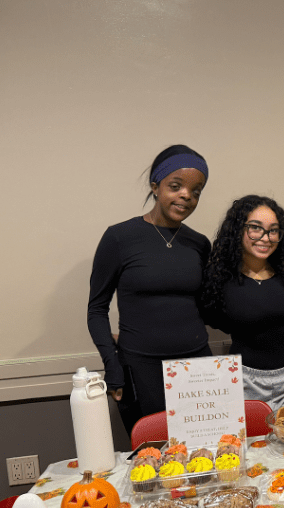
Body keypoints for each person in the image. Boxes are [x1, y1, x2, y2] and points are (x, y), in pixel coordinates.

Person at [87, 145, 212, 435]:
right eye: (176, 186)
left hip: (197, 368)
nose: (186, 196)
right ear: (155, 187)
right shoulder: (119, 238)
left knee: (207, 456)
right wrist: (112, 364)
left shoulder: (200, 244)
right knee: (154, 460)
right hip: (141, 370)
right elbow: (96, 309)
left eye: (196, 191)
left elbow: (208, 306)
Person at [200, 195, 284, 410]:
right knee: (251, 445)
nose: (266, 237)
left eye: (274, 230)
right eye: (255, 228)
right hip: (243, 383)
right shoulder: (219, 280)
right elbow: (213, 319)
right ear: (238, 229)